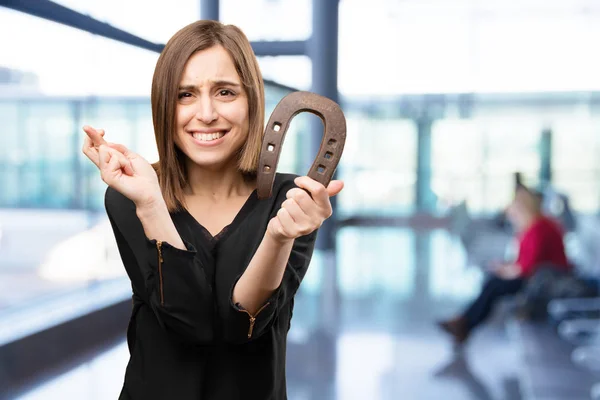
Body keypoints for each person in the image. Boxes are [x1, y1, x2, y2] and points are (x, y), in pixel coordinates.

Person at [81, 20, 343, 400]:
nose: (205, 113)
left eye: (224, 92)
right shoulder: (130, 197)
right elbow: (191, 323)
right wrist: (152, 204)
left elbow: (245, 327)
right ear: (163, 106)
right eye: (185, 94)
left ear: (252, 101)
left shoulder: (294, 198)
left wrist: (278, 235)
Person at [438, 185, 569, 345]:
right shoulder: (533, 226)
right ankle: (464, 322)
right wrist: (505, 267)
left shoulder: (539, 228)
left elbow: (528, 268)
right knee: (493, 281)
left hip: (546, 280)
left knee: (494, 284)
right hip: (538, 276)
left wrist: (506, 270)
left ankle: (464, 323)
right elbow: (524, 261)